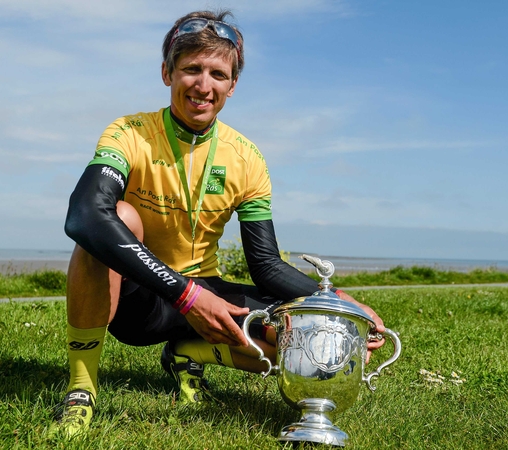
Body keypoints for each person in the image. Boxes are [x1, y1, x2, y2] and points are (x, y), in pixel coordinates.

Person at [50, 9, 386, 438]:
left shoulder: (246, 157)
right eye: (191, 69)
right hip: (142, 298)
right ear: (167, 73)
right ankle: (82, 388)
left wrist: (340, 303)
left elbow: (265, 264)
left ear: (233, 84)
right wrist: (187, 297)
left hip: (207, 290)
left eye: (217, 73)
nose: (203, 85)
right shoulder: (129, 133)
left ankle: (188, 352)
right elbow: (83, 216)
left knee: (303, 340)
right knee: (116, 217)